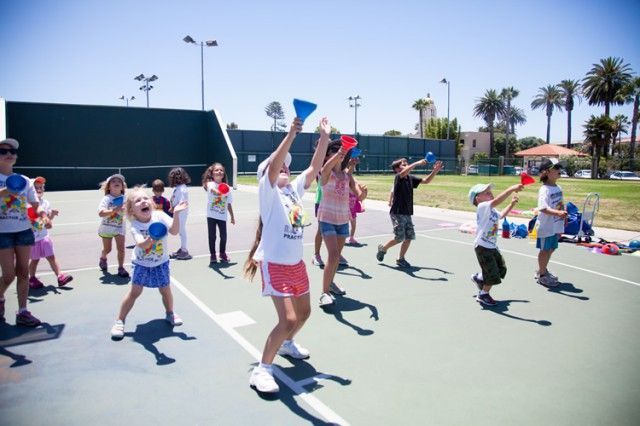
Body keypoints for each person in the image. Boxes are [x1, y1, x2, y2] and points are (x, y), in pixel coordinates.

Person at [243, 117, 330, 394]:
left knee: (304, 313)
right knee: (289, 319)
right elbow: (273, 165)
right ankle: (262, 370)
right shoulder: (267, 192)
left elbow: (315, 167)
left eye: (287, 166)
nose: (284, 167)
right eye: (278, 165)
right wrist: (292, 132)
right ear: (268, 172)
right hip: (276, 264)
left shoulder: (293, 190)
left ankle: (286, 344)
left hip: (296, 265)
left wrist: (325, 137)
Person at [110, 187, 188, 340]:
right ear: (132, 211)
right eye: (137, 201)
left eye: (145, 198)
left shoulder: (159, 215)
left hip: (161, 263)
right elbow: (142, 244)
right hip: (141, 264)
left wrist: (177, 213)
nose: (143, 201)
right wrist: (150, 238)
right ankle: (120, 321)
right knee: (135, 293)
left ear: (151, 203)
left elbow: (174, 231)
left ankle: (170, 313)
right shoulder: (135, 225)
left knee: (165, 290)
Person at [317, 140, 367, 306]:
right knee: (332, 255)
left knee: (337, 257)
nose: (341, 153)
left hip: (342, 220)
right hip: (327, 218)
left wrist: (364, 193)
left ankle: (330, 283)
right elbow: (325, 169)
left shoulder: (347, 175)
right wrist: (342, 150)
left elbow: (358, 196)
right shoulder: (325, 173)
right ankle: (324, 293)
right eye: (336, 151)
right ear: (328, 155)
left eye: (343, 151)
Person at [0, 138, 43, 326]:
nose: (9, 154)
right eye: (3, 151)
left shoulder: (25, 180)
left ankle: (23, 311)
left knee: (23, 272)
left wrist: (43, 215)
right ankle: (0, 297)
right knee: (8, 275)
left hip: (23, 231)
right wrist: (7, 190)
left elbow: (35, 205)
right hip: (3, 233)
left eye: (12, 152)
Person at [376, 158, 442, 267]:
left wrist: (434, 171)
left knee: (409, 237)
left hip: (407, 213)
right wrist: (417, 163)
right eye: (404, 164)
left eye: (407, 164)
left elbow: (426, 181)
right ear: (397, 169)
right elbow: (403, 172)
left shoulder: (410, 178)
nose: (407, 165)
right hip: (397, 212)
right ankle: (383, 249)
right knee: (399, 237)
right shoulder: (399, 177)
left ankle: (400, 259)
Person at [468, 182, 523, 306]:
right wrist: (511, 188)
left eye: (490, 192)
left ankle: (480, 277)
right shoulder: (482, 207)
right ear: (478, 198)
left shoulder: (491, 210)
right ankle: (483, 295)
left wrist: (511, 204)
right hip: (482, 246)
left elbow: (501, 215)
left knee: (501, 268)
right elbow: (497, 200)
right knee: (492, 274)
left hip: (492, 246)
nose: (491, 194)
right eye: (487, 193)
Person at [28, 176, 73, 288]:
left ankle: (60, 276)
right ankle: (32, 278)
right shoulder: (26, 204)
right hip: (31, 239)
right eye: (36, 187)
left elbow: (47, 220)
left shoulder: (45, 203)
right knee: (35, 260)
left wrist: (51, 215)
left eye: (41, 187)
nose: (39, 189)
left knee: (51, 257)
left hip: (44, 237)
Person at [535, 157, 567, 287]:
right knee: (545, 250)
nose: (559, 170)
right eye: (556, 168)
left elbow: (560, 204)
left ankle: (542, 269)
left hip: (556, 225)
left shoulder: (558, 187)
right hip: (546, 226)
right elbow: (543, 208)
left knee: (552, 248)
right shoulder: (545, 189)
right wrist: (558, 213)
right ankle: (542, 275)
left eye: (560, 168)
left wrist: (564, 218)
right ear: (547, 172)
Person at [202, 163, 235, 264]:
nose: (219, 172)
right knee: (212, 236)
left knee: (223, 236)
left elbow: (228, 203)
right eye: (217, 170)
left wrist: (232, 216)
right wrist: (221, 193)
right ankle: (212, 255)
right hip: (211, 216)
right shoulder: (210, 184)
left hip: (222, 216)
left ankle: (222, 253)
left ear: (223, 174)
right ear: (212, 174)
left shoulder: (227, 188)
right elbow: (212, 190)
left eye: (221, 170)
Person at [97, 174, 129, 277]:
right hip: (107, 228)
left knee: (121, 249)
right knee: (108, 249)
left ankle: (121, 268)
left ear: (122, 187)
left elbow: (132, 211)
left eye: (119, 182)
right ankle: (103, 257)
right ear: (109, 186)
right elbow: (101, 213)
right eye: (113, 181)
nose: (116, 182)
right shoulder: (106, 199)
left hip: (119, 228)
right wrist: (115, 210)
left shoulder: (125, 199)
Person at [168, 167, 192, 260]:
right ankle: (182, 248)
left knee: (181, 231)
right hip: (177, 213)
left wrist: (175, 209)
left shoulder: (182, 189)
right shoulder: (178, 188)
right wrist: (172, 207)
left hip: (181, 214)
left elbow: (182, 203)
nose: (173, 179)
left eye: (173, 177)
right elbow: (176, 200)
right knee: (180, 231)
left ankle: (184, 251)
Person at [346, 158, 366, 245]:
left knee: (353, 224)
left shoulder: (354, 180)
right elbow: (348, 174)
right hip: (344, 206)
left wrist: (364, 191)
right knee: (343, 224)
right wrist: (352, 165)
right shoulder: (345, 176)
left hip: (353, 205)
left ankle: (351, 238)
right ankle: (340, 237)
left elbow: (360, 196)